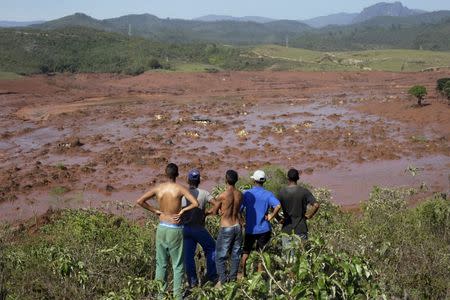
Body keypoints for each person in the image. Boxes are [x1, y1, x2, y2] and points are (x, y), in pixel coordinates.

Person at [136, 163, 199, 300]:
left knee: (161, 264)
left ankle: (160, 295)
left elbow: (140, 201)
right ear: (177, 174)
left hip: (162, 227)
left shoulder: (159, 188)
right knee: (177, 265)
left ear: (165, 174)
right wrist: (182, 211)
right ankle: (177, 296)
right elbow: (195, 203)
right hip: (175, 228)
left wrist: (155, 211)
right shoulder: (180, 188)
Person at [240, 170, 281, 277]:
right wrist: (271, 216)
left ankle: (243, 275)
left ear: (253, 180)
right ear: (264, 181)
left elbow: (239, 210)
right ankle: (259, 277)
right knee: (261, 254)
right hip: (264, 229)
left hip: (250, 229)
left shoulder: (246, 193)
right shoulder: (268, 194)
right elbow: (278, 205)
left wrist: (242, 222)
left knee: (245, 253)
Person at [181, 169, 218, 288]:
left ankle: (193, 282)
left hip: (186, 228)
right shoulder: (204, 193)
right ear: (199, 181)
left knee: (188, 256)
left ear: (188, 180)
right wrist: (207, 213)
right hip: (199, 228)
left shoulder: (183, 194)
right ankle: (212, 276)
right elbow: (217, 204)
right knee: (211, 247)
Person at [208, 170, 243, 286]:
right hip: (238, 226)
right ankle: (233, 279)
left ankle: (223, 280)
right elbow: (238, 210)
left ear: (226, 180)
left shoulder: (222, 195)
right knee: (236, 254)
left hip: (226, 226)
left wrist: (213, 212)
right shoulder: (239, 194)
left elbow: (214, 211)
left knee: (220, 256)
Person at [278, 168, 320, 247]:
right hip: (301, 228)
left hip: (287, 229)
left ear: (288, 178)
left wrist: (279, 219)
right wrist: (309, 215)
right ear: (298, 178)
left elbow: (274, 207)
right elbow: (316, 205)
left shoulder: (281, 192)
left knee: (287, 257)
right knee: (300, 256)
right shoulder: (304, 191)